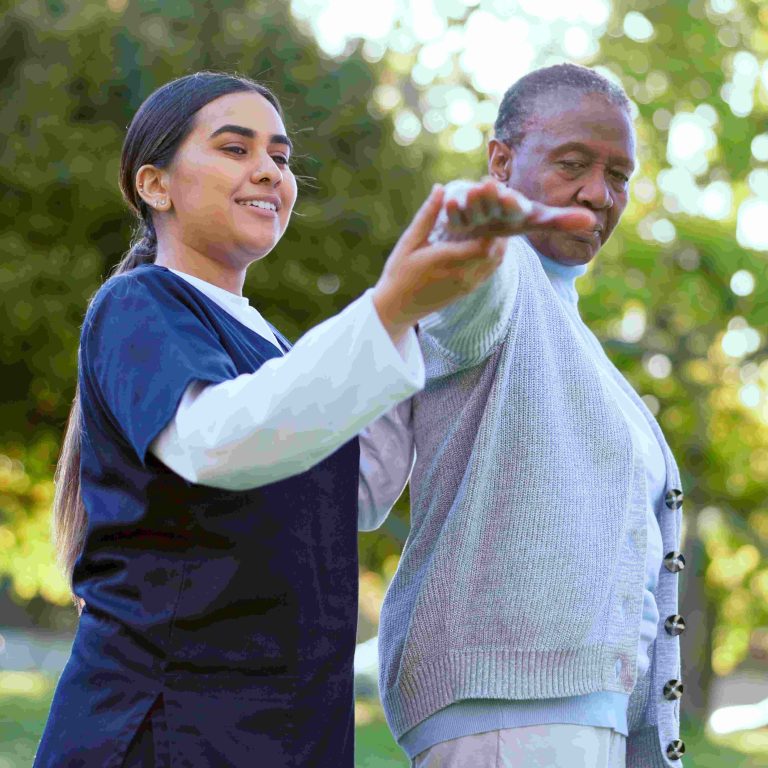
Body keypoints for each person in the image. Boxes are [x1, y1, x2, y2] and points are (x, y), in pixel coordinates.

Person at [36, 71, 592, 768]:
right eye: (236, 149)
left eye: (281, 156)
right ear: (155, 185)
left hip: (277, 730)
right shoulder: (140, 306)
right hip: (163, 731)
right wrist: (387, 308)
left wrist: (437, 308)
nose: (269, 171)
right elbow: (220, 443)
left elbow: (356, 490)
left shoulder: (274, 348)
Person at [378, 63, 687, 768]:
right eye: (574, 164)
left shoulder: (572, 329)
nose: (597, 194)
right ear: (501, 160)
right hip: (510, 720)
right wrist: (474, 228)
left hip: (580, 721)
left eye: (619, 176)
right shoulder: (500, 271)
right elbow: (460, 305)